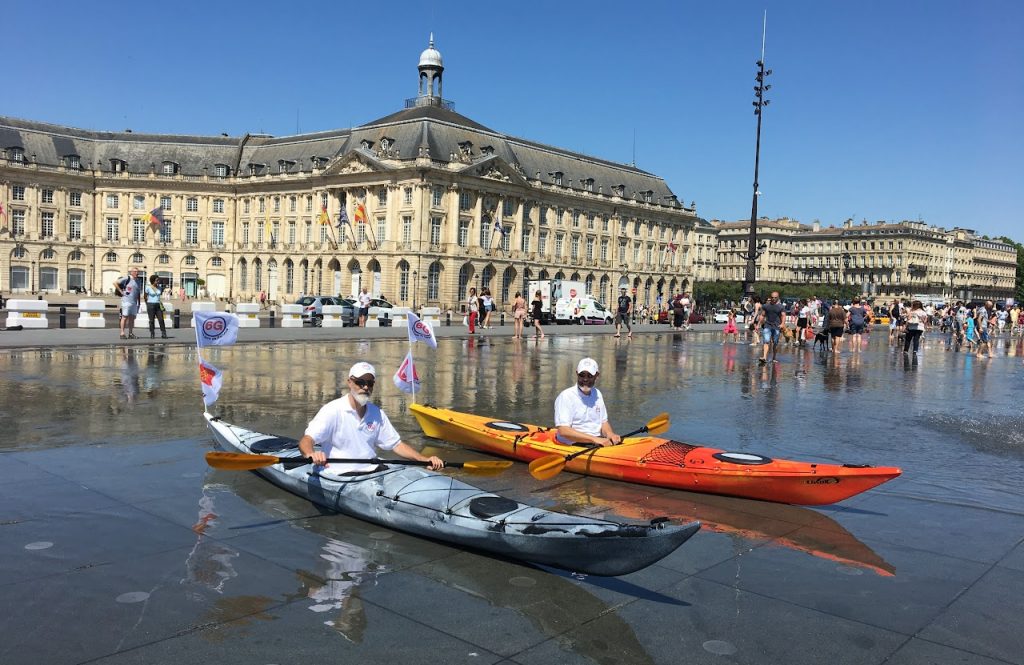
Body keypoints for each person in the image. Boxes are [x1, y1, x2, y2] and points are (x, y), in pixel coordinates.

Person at [298, 362, 444, 474]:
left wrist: (424, 459)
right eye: (360, 382)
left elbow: (396, 445)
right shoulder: (332, 410)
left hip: (371, 471)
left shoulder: (376, 413)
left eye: (370, 383)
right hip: (338, 473)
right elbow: (307, 440)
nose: (366, 387)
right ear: (349, 382)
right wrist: (311, 454)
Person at [554, 358, 621, 447]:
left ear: (596, 375)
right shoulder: (566, 396)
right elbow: (563, 430)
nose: (585, 379)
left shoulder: (597, 394)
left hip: (596, 441)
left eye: (589, 376)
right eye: (582, 375)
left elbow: (603, 422)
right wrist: (594, 439)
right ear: (577, 373)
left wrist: (610, 434)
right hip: (572, 443)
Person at [758, 292, 785, 364]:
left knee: (775, 343)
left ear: (778, 298)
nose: (774, 299)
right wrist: (758, 324)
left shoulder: (781, 307)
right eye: (772, 297)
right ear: (770, 297)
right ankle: (764, 357)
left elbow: (783, 315)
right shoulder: (766, 306)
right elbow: (762, 315)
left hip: (777, 326)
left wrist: (782, 324)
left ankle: (774, 357)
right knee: (766, 341)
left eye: (775, 297)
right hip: (768, 325)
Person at [116, 268, 143, 340]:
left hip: (134, 302)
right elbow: (115, 283)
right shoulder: (127, 278)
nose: (137, 273)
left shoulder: (138, 281)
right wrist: (120, 291)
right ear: (131, 272)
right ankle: (122, 333)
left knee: (132, 318)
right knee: (124, 317)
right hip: (126, 301)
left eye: (138, 272)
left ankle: (130, 333)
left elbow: (138, 292)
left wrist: (139, 303)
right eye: (135, 271)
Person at [145, 275, 168, 339]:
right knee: (151, 320)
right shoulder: (148, 287)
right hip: (150, 304)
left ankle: (163, 333)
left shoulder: (159, 287)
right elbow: (145, 296)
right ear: (153, 281)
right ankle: (152, 333)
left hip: (158, 305)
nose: (158, 281)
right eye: (156, 280)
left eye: (158, 280)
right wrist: (147, 304)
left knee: (161, 319)